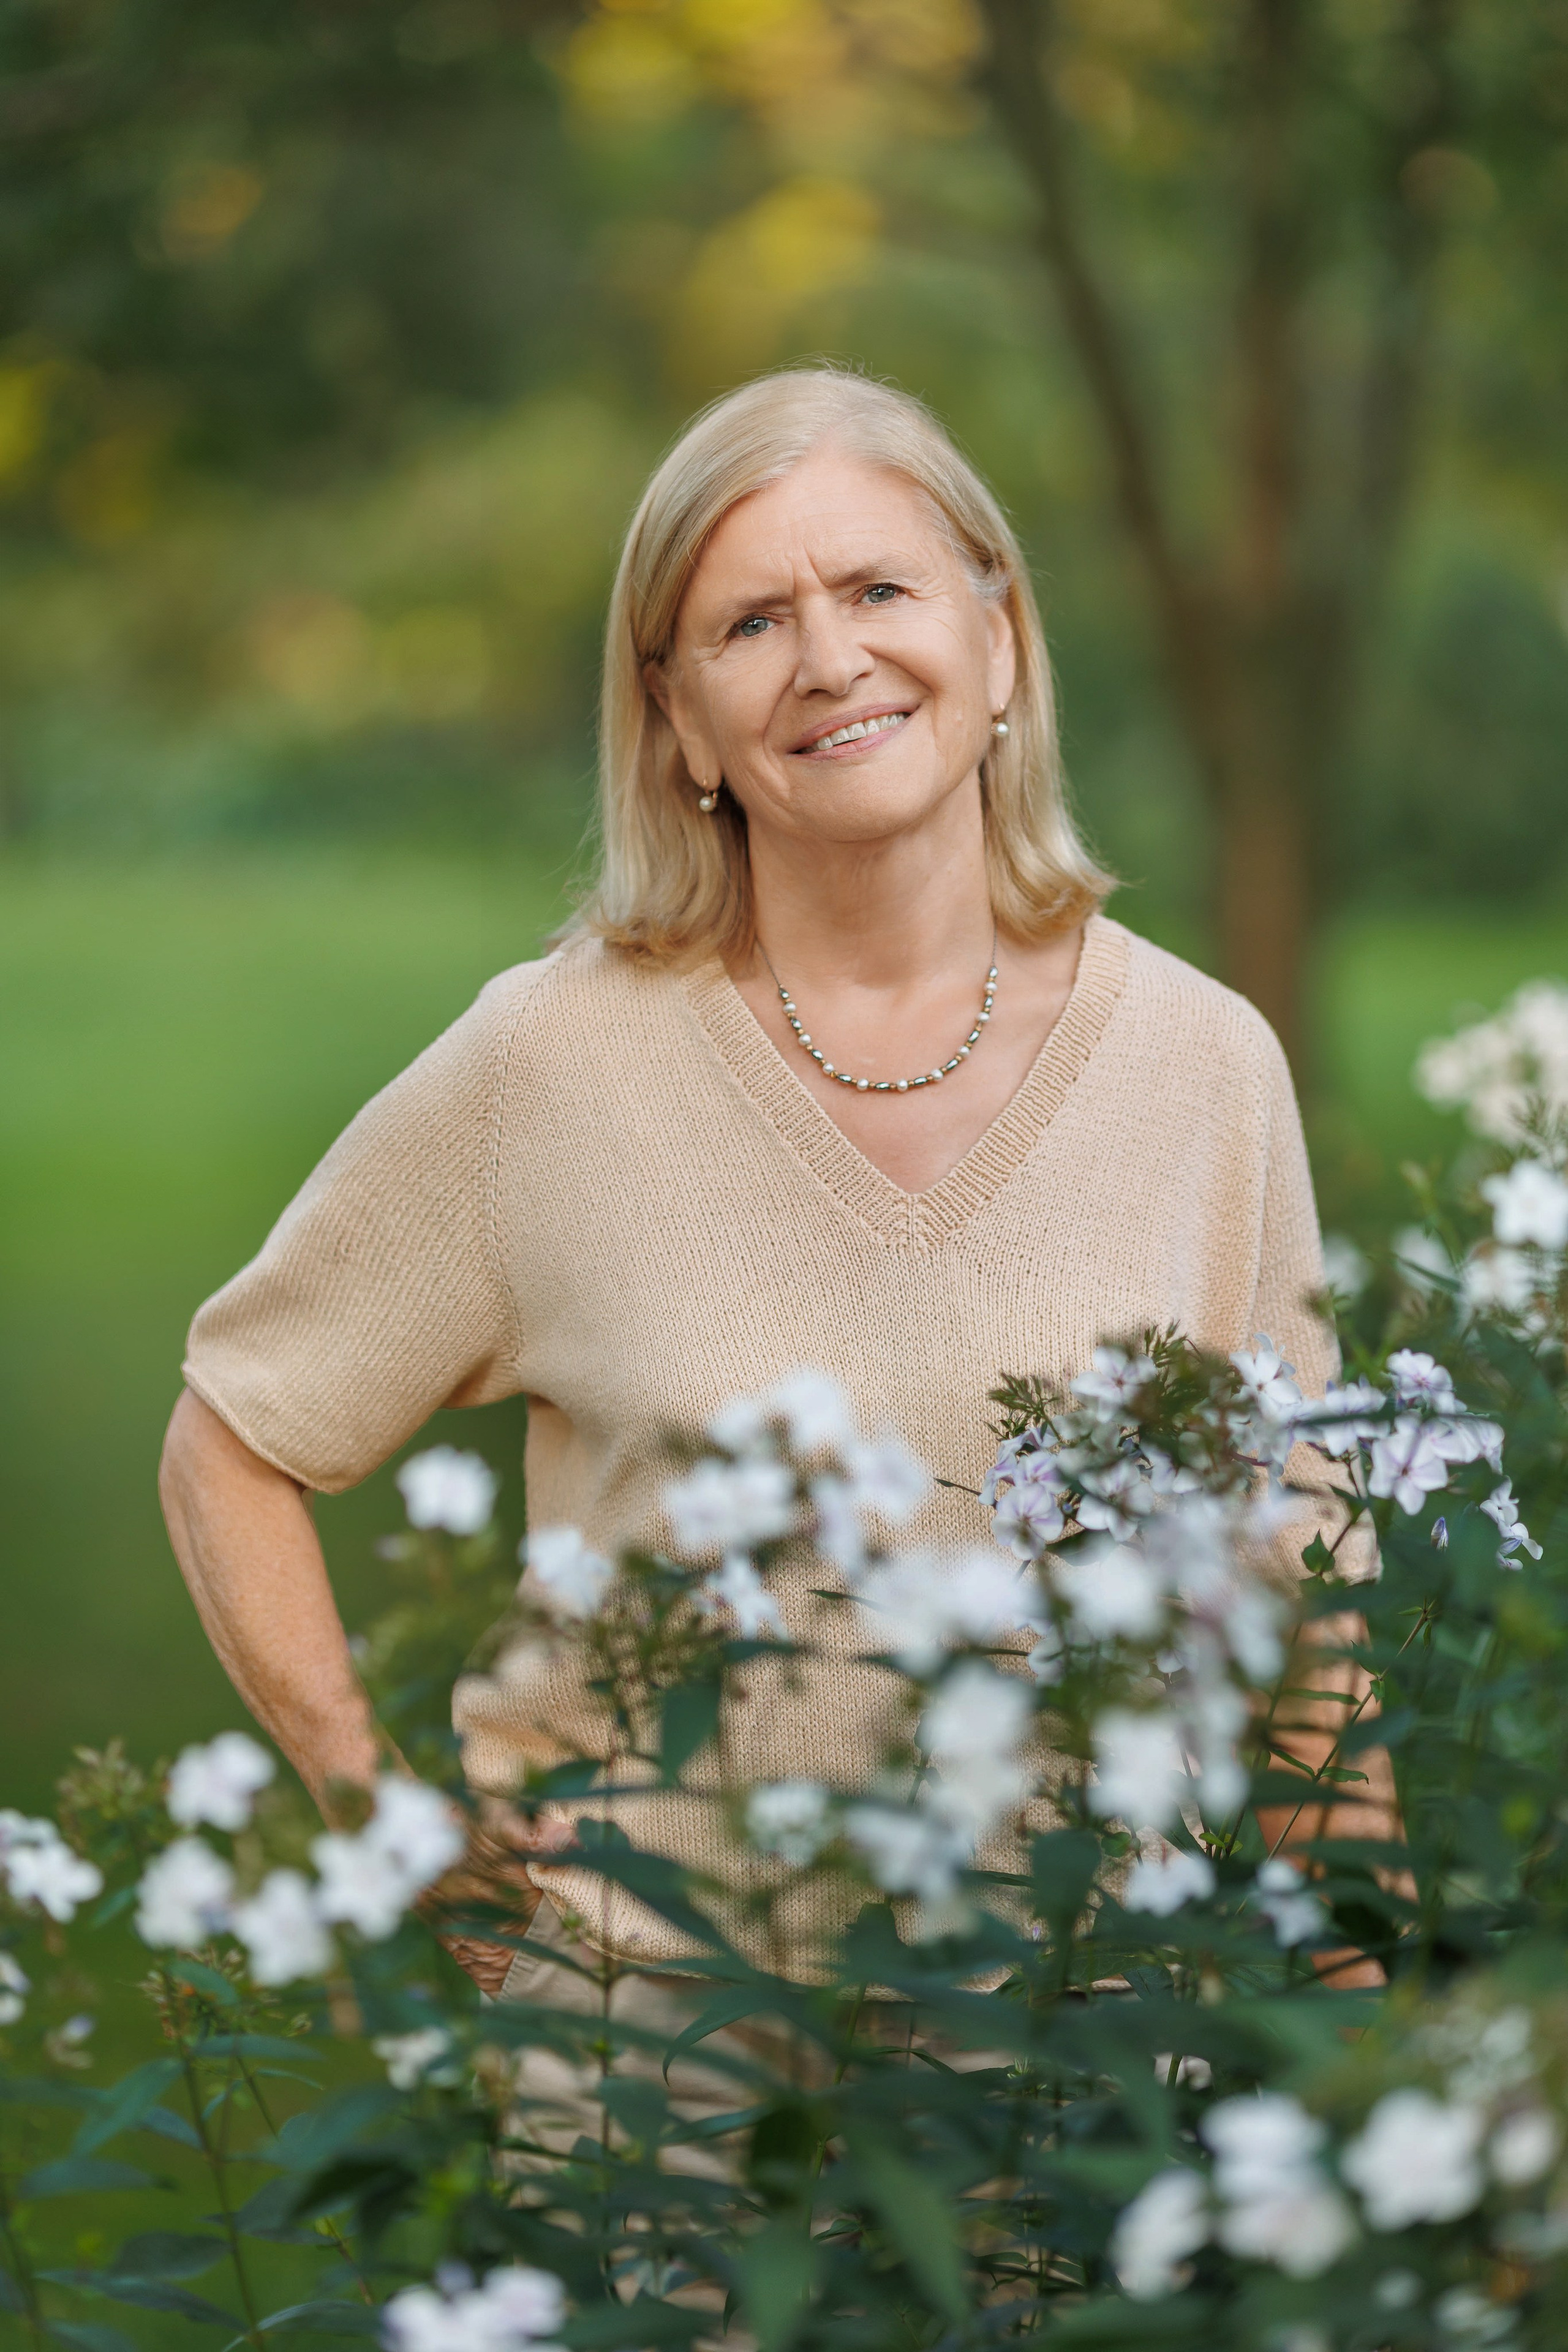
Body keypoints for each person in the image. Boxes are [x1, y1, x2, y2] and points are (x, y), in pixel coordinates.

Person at [159, 365, 1371, 2005]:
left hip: (1084, 2129)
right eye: (749, 626)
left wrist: (1359, 2061)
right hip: (653, 2136)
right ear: (678, 723)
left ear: (998, 639)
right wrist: (386, 1816)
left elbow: (1315, 1610)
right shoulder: (548, 1069)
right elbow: (233, 1439)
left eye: (880, 588)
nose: (831, 660)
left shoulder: (1207, 1069)